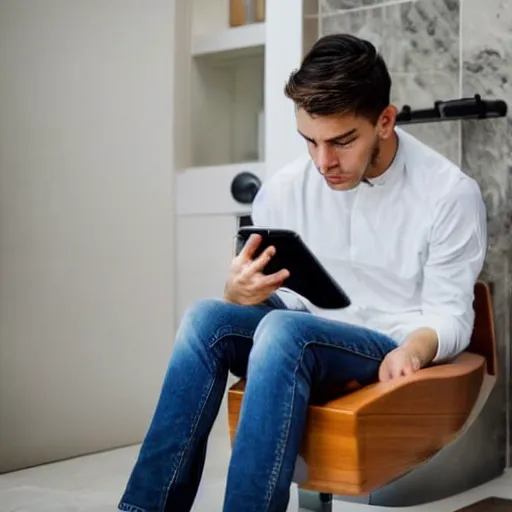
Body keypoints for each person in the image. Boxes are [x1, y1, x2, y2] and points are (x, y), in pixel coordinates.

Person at [118, 33, 487, 512]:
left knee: (284, 330)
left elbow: (452, 317)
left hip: (383, 342)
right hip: (294, 329)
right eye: (309, 141)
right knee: (205, 319)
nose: (323, 162)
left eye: (342, 141)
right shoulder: (286, 189)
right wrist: (239, 294)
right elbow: (283, 299)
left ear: (385, 121)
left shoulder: (449, 195)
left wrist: (415, 350)